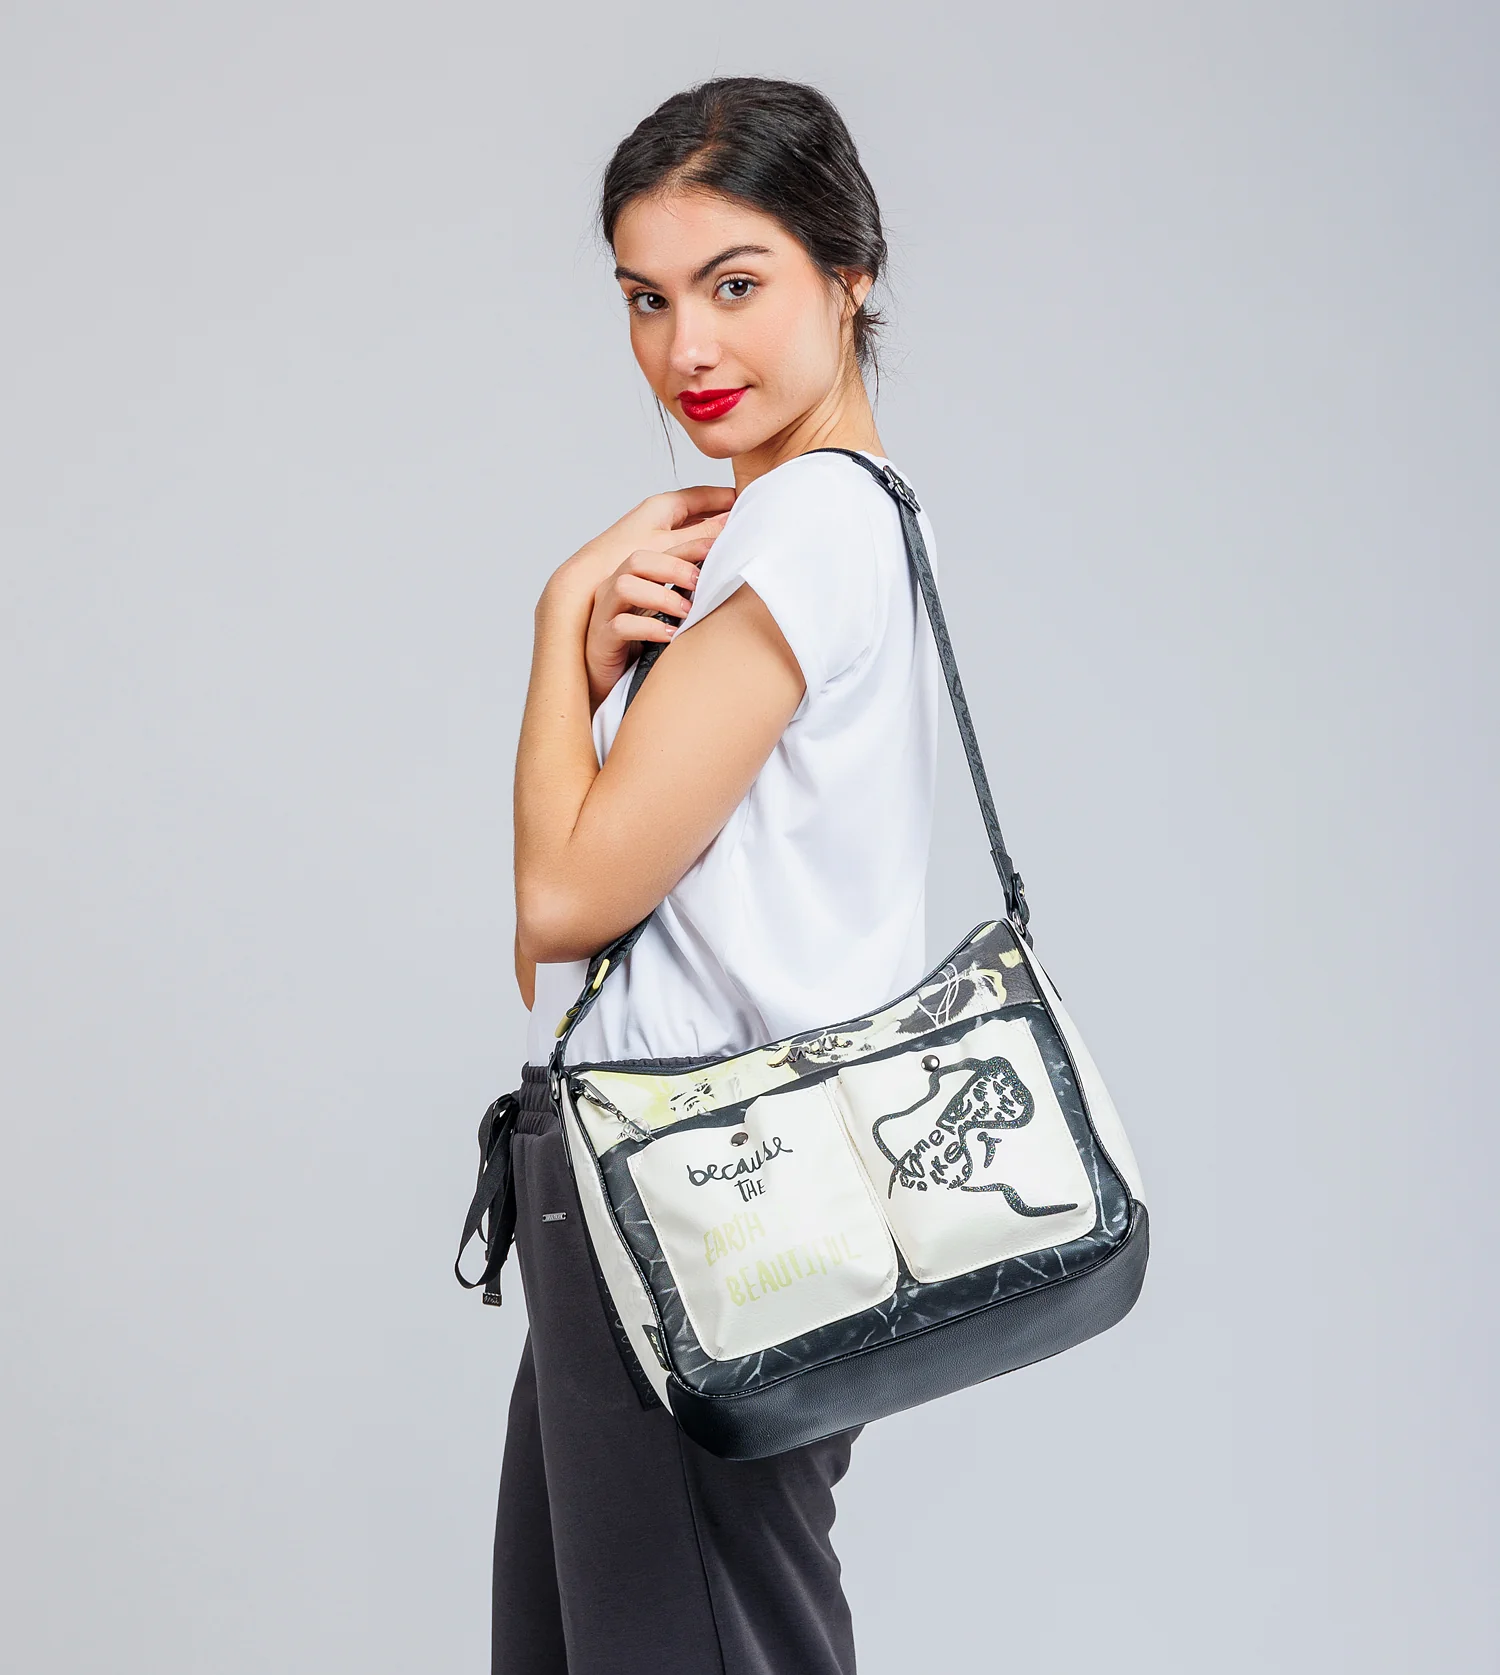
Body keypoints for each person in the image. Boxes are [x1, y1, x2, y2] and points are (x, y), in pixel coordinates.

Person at [495, 76, 944, 1674]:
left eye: (735, 284)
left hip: (704, 1199)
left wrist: (559, 622)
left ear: (850, 272)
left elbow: (561, 904)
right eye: (648, 298)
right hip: (671, 1190)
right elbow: (583, 914)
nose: (687, 346)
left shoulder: (807, 524)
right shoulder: (835, 524)